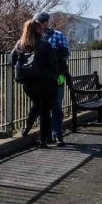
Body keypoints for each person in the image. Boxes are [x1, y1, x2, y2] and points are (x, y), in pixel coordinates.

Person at [10, 17, 59, 148]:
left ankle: (27, 127)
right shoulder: (45, 44)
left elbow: (12, 59)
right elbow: (54, 63)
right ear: (38, 30)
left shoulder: (20, 44)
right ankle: (44, 139)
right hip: (45, 82)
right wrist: (54, 77)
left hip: (28, 83)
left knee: (37, 104)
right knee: (44, 110)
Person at [34, 12, 70, 146]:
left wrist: (53, 53)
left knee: (56, 106)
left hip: (57, 76)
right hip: (42, 79)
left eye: (41, 22)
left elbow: (66, 54)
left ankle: (57, 135)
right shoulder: (34, 38)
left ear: (45, 23)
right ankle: (46, 135)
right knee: (43, 108)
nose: (41, 25)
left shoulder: (57, 35)